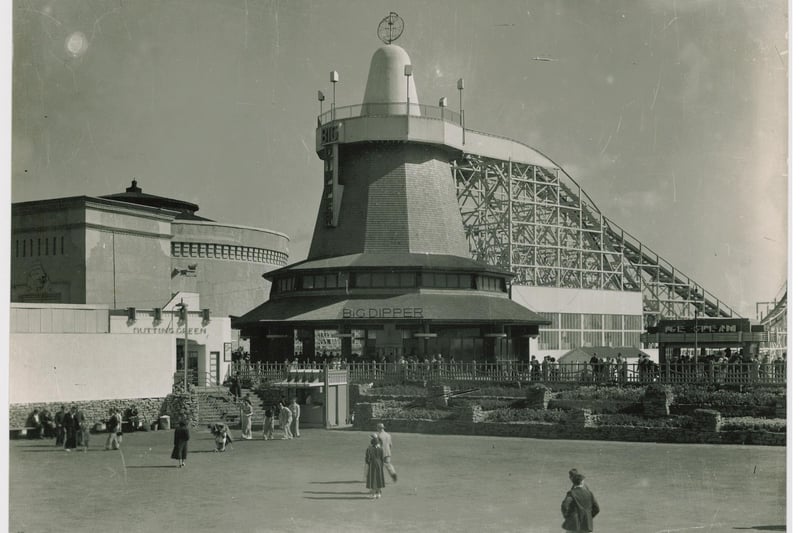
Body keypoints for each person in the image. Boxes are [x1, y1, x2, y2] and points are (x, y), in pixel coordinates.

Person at [561, 468, 599, 533]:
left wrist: (568, 517)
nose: (570, 478)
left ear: (572, 478)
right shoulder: (589, 492)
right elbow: (596, 508)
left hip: (574, 523)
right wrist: (588, 517)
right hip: (586, 524)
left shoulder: (572, 492)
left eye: (571, 476)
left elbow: (565, 506)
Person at [364, 433, 385, 499]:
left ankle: (373, 494)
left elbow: (367, 459)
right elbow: (382, 458)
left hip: (372, 464)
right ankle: (378, 493)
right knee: (379, 478)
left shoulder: (369, 449)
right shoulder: (381, 449)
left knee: (372, 478)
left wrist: (368, 463)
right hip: (379, 464)